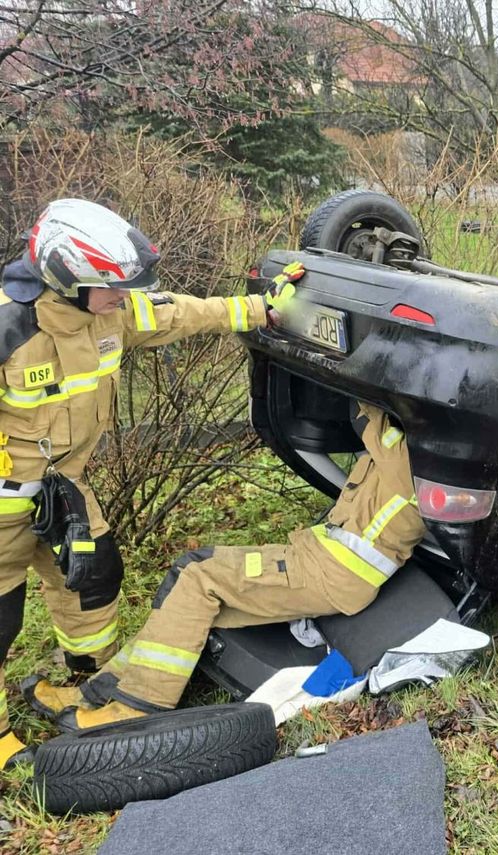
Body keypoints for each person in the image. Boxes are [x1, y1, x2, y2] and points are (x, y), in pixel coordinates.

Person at [0, 198, 293, 766]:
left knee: (93, 584)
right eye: (111, 286)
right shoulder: (9, 329)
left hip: (65, 491)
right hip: (4, 502)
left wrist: (258, 310)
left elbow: (179, 313)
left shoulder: (109, 313)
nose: (123, 296)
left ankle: (86, 687)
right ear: (66, 279)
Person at [26, 403, 424, 728]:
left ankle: (138, 708)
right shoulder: (396, 438)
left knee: (200, 579)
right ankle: (98, 691)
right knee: (190, 573)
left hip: (333, 572)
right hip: (319, 559)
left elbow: (365, 412)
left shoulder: (410, 451)